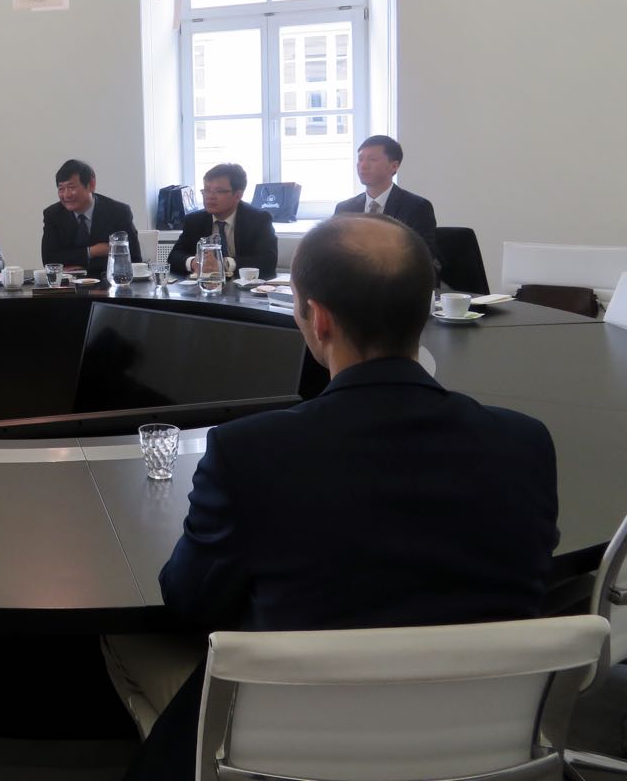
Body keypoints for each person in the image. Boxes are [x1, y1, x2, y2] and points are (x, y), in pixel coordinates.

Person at [108, 215, 559, 778]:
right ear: (425, 310)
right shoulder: (524, 443)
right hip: (479, 742)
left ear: (317, 318)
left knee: (120, 638)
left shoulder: (248, 453)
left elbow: (188, 602)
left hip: (290, 745)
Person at [334, 134, 438, 263]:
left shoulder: (417, 207)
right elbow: (334, 253)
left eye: (372, 159)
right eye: (360, 159)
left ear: (394, 166)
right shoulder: (344, 209)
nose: (363, 165)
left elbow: (423, 257)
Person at [166, 163, 278, 278]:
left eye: (219, 191)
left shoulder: (258, 219)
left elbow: (268, 261)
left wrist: (224, 264)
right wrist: (194, 262)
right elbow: (174, 257)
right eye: (206, 190)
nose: (210, 196)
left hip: (243, 285)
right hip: (204, 285)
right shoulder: (194, 220)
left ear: (237, 195)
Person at [40, 159, 141, 278]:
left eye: (71, 187)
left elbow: (134, 259)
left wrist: (77, 263)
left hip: (109, 283)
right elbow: (50, 261)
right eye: (61, 189)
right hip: (68, 286)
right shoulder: (53, 215)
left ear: (91, 185)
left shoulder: (118, 212)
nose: (66, 195)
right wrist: (93, 251)